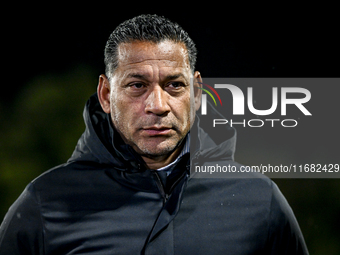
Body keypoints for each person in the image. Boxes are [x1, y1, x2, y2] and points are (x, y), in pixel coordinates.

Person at [0, 14, 309, 254]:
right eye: (137, 86)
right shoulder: (43, 204)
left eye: (174, 85)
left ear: (197, 92)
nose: (158, 105)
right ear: (106, 95)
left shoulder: (260, 200)